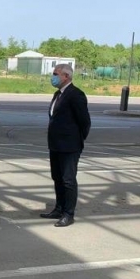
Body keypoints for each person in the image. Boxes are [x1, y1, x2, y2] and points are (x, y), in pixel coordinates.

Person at [40, 63, 91, 227]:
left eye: (56, 74)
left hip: (70, 146)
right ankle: (59, 208)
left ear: (66, 76)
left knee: (68, 180)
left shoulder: (76, 95)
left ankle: (69, 214)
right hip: (55, 145)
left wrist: (77, 140)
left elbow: (85, 122)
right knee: (57, 178)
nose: (53, 77)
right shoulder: (58, 94)